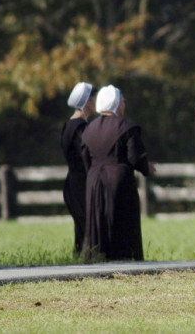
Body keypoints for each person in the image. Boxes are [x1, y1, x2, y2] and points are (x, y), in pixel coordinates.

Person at [80, 85, 156, 261]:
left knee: (97, 220)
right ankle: (124, 258)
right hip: (118, 181)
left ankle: (98, 257)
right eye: (122, 100)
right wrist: (147, 168)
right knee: (121, 220)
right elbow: (135, 157)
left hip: (94, 181)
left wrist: (93, 175)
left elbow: (85, 158)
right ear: (115, 103)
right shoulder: (127, 127)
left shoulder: (89, 129)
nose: (125, 103)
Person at [60, 82, 95, 254]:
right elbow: (86, 155)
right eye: (93, 98)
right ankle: (87, 259)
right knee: (87, 224)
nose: (96, 101)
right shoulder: (80, 128)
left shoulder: (68, 125)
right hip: (82, 183)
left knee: (80, 225)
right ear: (87, 101)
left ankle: (80, 257)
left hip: (72, 181)